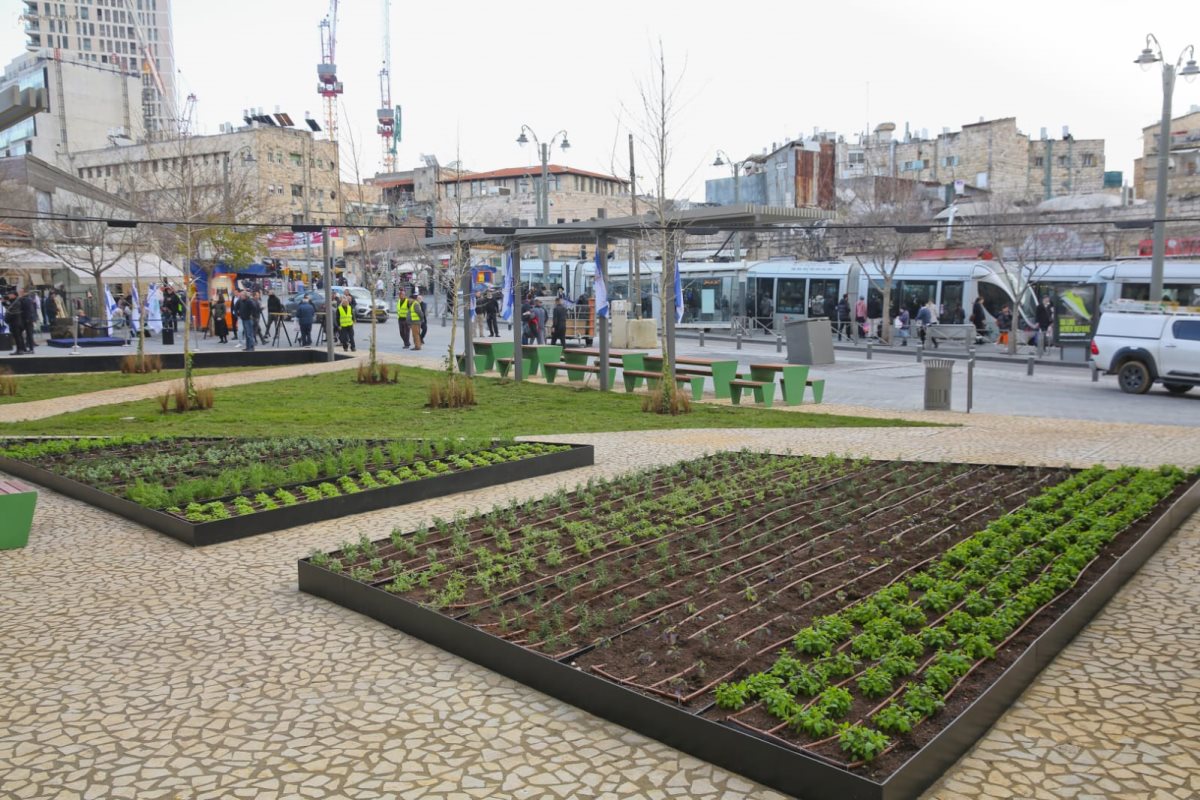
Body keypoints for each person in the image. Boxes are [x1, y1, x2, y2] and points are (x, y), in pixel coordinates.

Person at [4, 288, 25, 354]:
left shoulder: (17, 302)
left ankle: (20, 350)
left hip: (16, 322)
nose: (9, 296)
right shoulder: (13, 301)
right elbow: (8, 306)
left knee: (17, 336)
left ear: (14, 295)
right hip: (14, 322)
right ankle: (20, 349)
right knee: (17, 336)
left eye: (10, 294)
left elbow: (12, 311)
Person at [18, 287, 38, 353]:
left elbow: (30, 310)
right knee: (24, 334)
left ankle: (31, 349)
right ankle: (25, 348)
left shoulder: (27, 299)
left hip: (27, 319)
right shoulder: (23, 299)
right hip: (24, 319)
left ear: (24, 292)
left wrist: (29, 319)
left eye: (21, 292)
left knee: (29, 334)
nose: (19, 293)